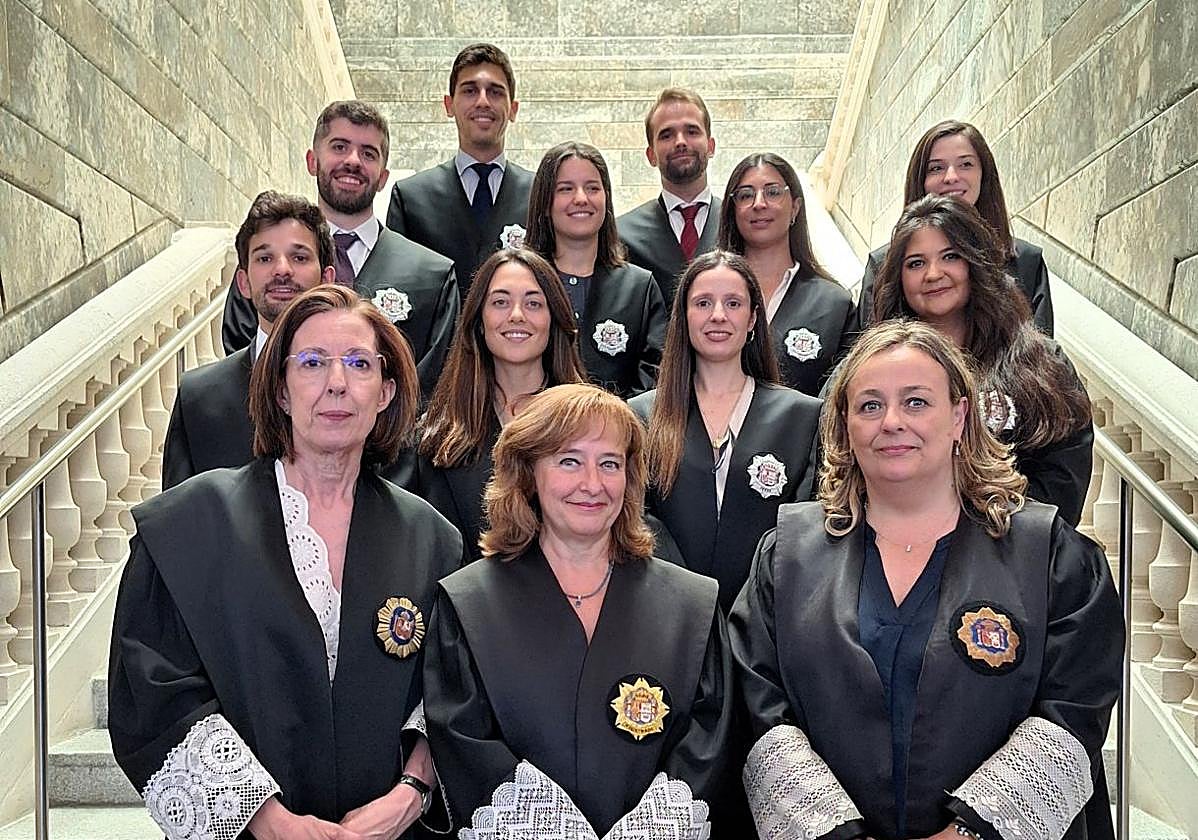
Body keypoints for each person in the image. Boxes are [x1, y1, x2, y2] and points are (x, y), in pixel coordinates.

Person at [730, 319, 1122, 840]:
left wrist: (965, 835)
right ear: (845, 423)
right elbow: (760, 706)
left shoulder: (1050, 555)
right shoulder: (787, 557)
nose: (892, 422)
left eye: (916, 402)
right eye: (870, 405)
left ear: (960, 415)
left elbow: (1073, 709)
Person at [110, 285, 464, 839]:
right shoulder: (190, 527)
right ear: (280, 389)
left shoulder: (432, 540)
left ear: (387, 391)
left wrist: (408, 797)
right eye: (313, 362)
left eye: (359, 364)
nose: (337, 383)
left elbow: (451, 695)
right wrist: (266, 820)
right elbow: (155, 693)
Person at [423, 383, 734, 837]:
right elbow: (464, 742)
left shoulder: (692, 606)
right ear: (528, 472)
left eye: (609, 464)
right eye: (569, 461)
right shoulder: (469, 603)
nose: (592, 484)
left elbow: (708, 745)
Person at [872, 194, 1092, 525]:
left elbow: (1063, 475)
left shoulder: (1040, 363)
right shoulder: (872, 368)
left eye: (950, 257)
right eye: (916, 263)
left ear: (976, 264)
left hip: (1011, 549)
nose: (933, 274)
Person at [222, 101, 460, 398]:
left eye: (368, 153)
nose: (353, 161)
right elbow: (244, 351)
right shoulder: (270, 269)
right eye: (339, 147)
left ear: (384, 176)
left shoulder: (431, 277)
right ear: (312, 161)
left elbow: (434, 383)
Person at [631, 251, 822, 610]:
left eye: (733, 303)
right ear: (683, 317)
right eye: (703, 303)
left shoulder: (802, 418)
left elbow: (804, 527)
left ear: (752, 318)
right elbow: (636, 516)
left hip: (767, 616)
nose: (718, 315)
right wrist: (690, 596)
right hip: (665, 608)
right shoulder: (641, 416)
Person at [404, 248, 586, 560]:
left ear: (554, 318)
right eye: (500, 302)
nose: (517, 315)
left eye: (533, 303)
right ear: (478, 320)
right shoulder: (432, 441)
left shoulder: (593, 427)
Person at [163, 191, 335, 490]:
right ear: (243, 282)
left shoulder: (360, 388)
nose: (282, 269)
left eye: (299, 257)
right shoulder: (199, 397)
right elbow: (176, 523)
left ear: (327, 279)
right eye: (265, 257)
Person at [855, 120, 1054, 336]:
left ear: (984, 174)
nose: (951, 177)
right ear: (920, 180)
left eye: (965, 165)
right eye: (936, 168)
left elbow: (1040, 353)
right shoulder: (882, 264)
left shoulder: (1025, 261)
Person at [386, 43, 533, 297]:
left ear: (513, 109)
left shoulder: (542, 195)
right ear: (449, 104)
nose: (483, 101)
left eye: (496, 92)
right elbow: (398, 287)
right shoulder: (410, 199)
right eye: (470, 91)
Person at [525, 141, 667, 398]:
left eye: (592, 188)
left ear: (606, 199)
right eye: (566, 189)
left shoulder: (639, 288)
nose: (581, 199)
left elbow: (654, 380)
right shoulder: (523, 282)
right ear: (545, 202)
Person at [717, 152, 855, 396]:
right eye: (746, 195)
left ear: (795, 207)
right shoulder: (707, 294)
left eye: (773, 192)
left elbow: (843, 397)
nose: (759, 203)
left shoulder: (834, 305)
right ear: (733, 211)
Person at [617, 88, 721, 304]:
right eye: (667, 135)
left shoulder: (739, 224)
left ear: (710, 146)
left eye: (692, 131)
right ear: (651, 155)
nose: (680, 142)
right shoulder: (622, 235)